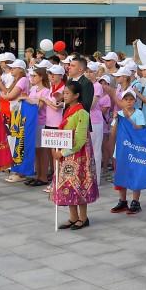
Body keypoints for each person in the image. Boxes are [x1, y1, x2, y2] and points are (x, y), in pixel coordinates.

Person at [52, 80, 99, 228]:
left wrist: (63, 152)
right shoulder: (68, 110)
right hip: (67, 154)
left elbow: (80, 139)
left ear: (77, 95)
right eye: (64, 93)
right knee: (68, 184)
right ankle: (73, 217)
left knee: (80, 184)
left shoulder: (82, 113)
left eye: (67, 93)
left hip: (79, 155)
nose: (64, 96)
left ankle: (83, 217)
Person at [109, 90, 146, 215]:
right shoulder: (119, 114)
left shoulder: (139, 113)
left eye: (131, 99)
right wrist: (117, 120)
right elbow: (113, 134)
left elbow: (140, 129)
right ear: (122, 101)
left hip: (134, 150)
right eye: (126, 99)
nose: (128, 101)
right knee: (121, 175)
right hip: (121, 150)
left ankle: (135, 201)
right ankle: (122, 200)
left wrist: (128, 119)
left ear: (135, 101)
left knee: (135, 175)